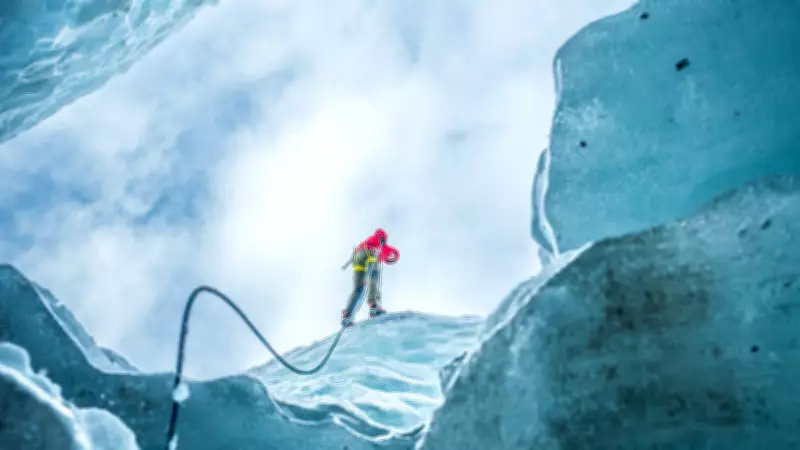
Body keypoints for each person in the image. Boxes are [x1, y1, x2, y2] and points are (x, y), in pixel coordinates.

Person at [340, 228, 399, 327]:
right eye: (391, 257)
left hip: (357, 257)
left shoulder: (379, 248)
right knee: (374, 276)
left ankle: (347, 314)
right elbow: (380, 232)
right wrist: (382, 238)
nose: (390, 258)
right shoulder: (382, 246)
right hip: (368, 252)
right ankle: (373, 306)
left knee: (359, 288)